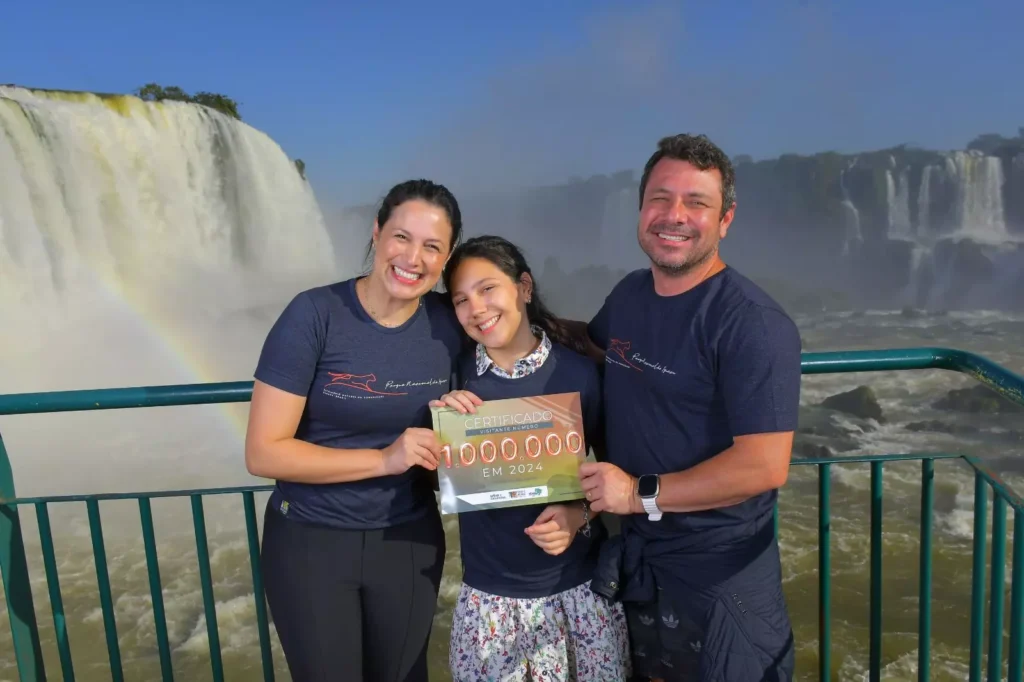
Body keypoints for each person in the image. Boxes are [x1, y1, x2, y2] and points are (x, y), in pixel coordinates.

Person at [576, 134, 802, 682]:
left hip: (720, 587)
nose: (673, 215)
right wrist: (492, 327)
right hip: (637, 569)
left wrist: (635, 494)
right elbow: (582, 345)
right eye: (660, 198)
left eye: (696, 203)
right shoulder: (630, 295)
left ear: (725, 219)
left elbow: (764, 465)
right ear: (641, 208)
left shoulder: (751, 323)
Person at [244, 179, 466, 682]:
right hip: (309, 542)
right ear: (377, 233)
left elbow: (517, 342)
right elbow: (263, 452)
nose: (413, 258)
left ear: (447, 257)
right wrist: (385, 459)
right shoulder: (314, 315)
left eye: (432, 246)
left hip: (407, 542)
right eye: (401, 237)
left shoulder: (448, 325)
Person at [431, 235, 631, 682]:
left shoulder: (578, 373)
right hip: (490, 602)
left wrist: (579, 513)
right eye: (461, 299)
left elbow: (618, 475)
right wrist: (442, 430)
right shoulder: (453, 380)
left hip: (578, 593)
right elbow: (435, 483)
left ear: (524, 287)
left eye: (487, 289)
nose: (476, 308)